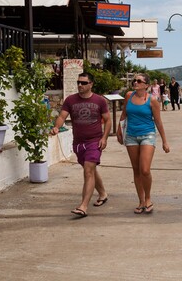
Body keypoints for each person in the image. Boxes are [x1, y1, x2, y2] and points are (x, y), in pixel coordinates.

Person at [51, 72, 111, 218]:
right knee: (90, 170)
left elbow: (108, 121)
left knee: (88, 171)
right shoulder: (70, 100)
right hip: (78, 143)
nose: (80, 85)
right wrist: (57, 127)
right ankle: (102, 193)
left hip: (94, 141)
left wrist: (104, 138)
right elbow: (62, 116)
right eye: (79, 82)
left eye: (84, 83)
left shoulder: (100, 100)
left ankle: (83, 206)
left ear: (91, 84)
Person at [117, 73, 171, 214]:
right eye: (134, 80)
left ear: (146, 85)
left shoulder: (152, 100)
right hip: (131, 136)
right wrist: (119, 130)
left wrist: (165, 141)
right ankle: (141, 201)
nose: (135, 82)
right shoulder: (129, 95)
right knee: (136, 170)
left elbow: (158, 121)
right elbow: (124, 114)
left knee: (145, 170)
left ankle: (148, 198)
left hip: (147, 135)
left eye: (139, 81)